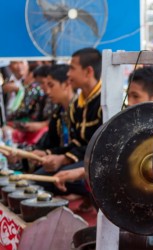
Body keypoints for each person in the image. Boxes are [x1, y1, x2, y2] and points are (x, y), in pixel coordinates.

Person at [53, 66, 153, 192]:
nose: (129, 102)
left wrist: (81, 172)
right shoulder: (129, 126)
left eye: (135, 96)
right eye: (128, 96)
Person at [33, 48, 103, 201]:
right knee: (38, 177)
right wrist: (50, 155)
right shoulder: (77, 105)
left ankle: (84, 195)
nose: (69, 74)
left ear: (88, 72)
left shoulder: (105, 102)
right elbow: (77, 142)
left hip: (100, 165)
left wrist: (63, 159)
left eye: (72, 68)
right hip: (79, 160)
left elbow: (101, 147)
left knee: (53, 178)